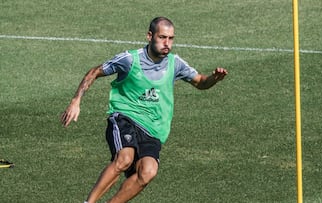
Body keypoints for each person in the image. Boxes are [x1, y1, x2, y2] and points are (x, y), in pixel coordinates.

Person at [61, 16, 228, 203]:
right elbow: (95, 72)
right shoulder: (129, 59)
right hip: (125, 116)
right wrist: (76, 100)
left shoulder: (175, 63)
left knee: (148, 172)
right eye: (162, 37)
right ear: (150, 36)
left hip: (154, 128)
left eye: (171, 38)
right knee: (124, 159)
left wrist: (214, 78)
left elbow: (200, 82)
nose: (167, 43)